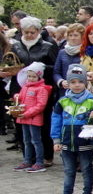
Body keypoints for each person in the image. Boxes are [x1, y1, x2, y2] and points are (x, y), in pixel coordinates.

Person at [4, 16, 58, 163]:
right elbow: (9, 64)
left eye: (32, 32)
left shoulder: (48, 45)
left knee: (42, 122)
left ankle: (46, 155)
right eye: (25, 32)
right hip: (20, 89)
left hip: (41, 90)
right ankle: (28, 156)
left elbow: (55, 67)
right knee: (20, 121)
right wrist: (9, 71)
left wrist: (38, 69)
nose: (28, 35)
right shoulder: (16, 46)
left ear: (38, 31)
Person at [51, 65, 93, 194]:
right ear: (68, 84)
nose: (77, 85)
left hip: (85, 142)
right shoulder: (62, 101)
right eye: (73, 82)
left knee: (86, 169)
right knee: (69, 171)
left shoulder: (92, 100)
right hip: (66, 142)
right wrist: (56, 140)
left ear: (86, 83)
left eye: (80, 82)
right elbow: (56, 120)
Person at [12, 62, 51, 173]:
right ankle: (27, 160)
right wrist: (17, 97)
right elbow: (22, 98)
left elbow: (40, 105)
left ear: (39, 76)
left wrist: (27, 113)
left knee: (36, 140)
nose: (31, 78)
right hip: (24, 117)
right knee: (26, 140)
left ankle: (39, 162)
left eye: (34, 76)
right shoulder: (25, 86)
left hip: (33, 119)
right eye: (29, 76)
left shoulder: (42, 88)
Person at [54, 24, 85, 98]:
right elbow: (56, 72)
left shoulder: (86, 51)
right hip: (65, 91)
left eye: (76, 35)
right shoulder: (62, 52)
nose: (73, 38)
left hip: (81, 91)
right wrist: (61, 81)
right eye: (70, 35)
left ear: (82, 37)